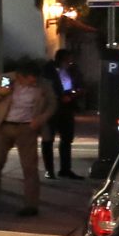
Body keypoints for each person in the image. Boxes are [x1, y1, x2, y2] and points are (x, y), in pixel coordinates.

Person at [0, 57, 53, 217]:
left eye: (35, 80)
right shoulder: (6, 79)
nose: (33, 83)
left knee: (30, 167)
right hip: (4, 126)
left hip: (27, 127)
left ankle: (31, 205)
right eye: (30, 80)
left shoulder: (43, 84)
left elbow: (52, 104)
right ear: (20, 76)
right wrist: (1, 92)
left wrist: (41, 119)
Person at [42, 50, 80, 182]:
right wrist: (59, 96)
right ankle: (49, 170)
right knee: (48, 139)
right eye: (68, 59)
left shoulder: (71, 69)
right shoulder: (49, 69)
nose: (70, 62)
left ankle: (65, 169)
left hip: (67, 107)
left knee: (67, 139)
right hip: (52, 107)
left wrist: (75, 93)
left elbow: (77, 82)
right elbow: (47, 87)